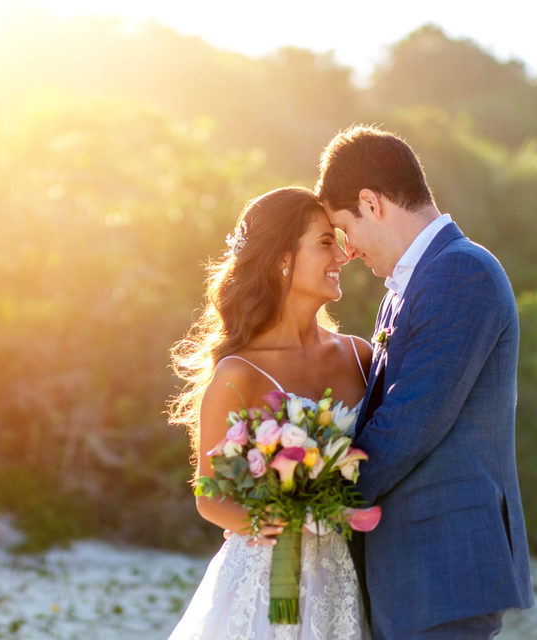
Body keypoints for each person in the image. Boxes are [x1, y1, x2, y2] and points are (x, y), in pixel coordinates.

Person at [315, 125, 535, 639]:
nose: (346, 251)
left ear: (371, 203)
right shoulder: (402, 289)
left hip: (445, 561)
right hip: (409, 564)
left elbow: (410, 421)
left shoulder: (463, 271)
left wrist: (318, 503)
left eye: (344, 229)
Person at [167, 186, 373, 640]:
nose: (342, 255)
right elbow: (208, 493)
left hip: (349, 577)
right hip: (266, 583)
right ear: (283, 258)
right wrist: (270, 518)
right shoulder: (239, 373)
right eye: (324, 242)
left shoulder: (361, 356)